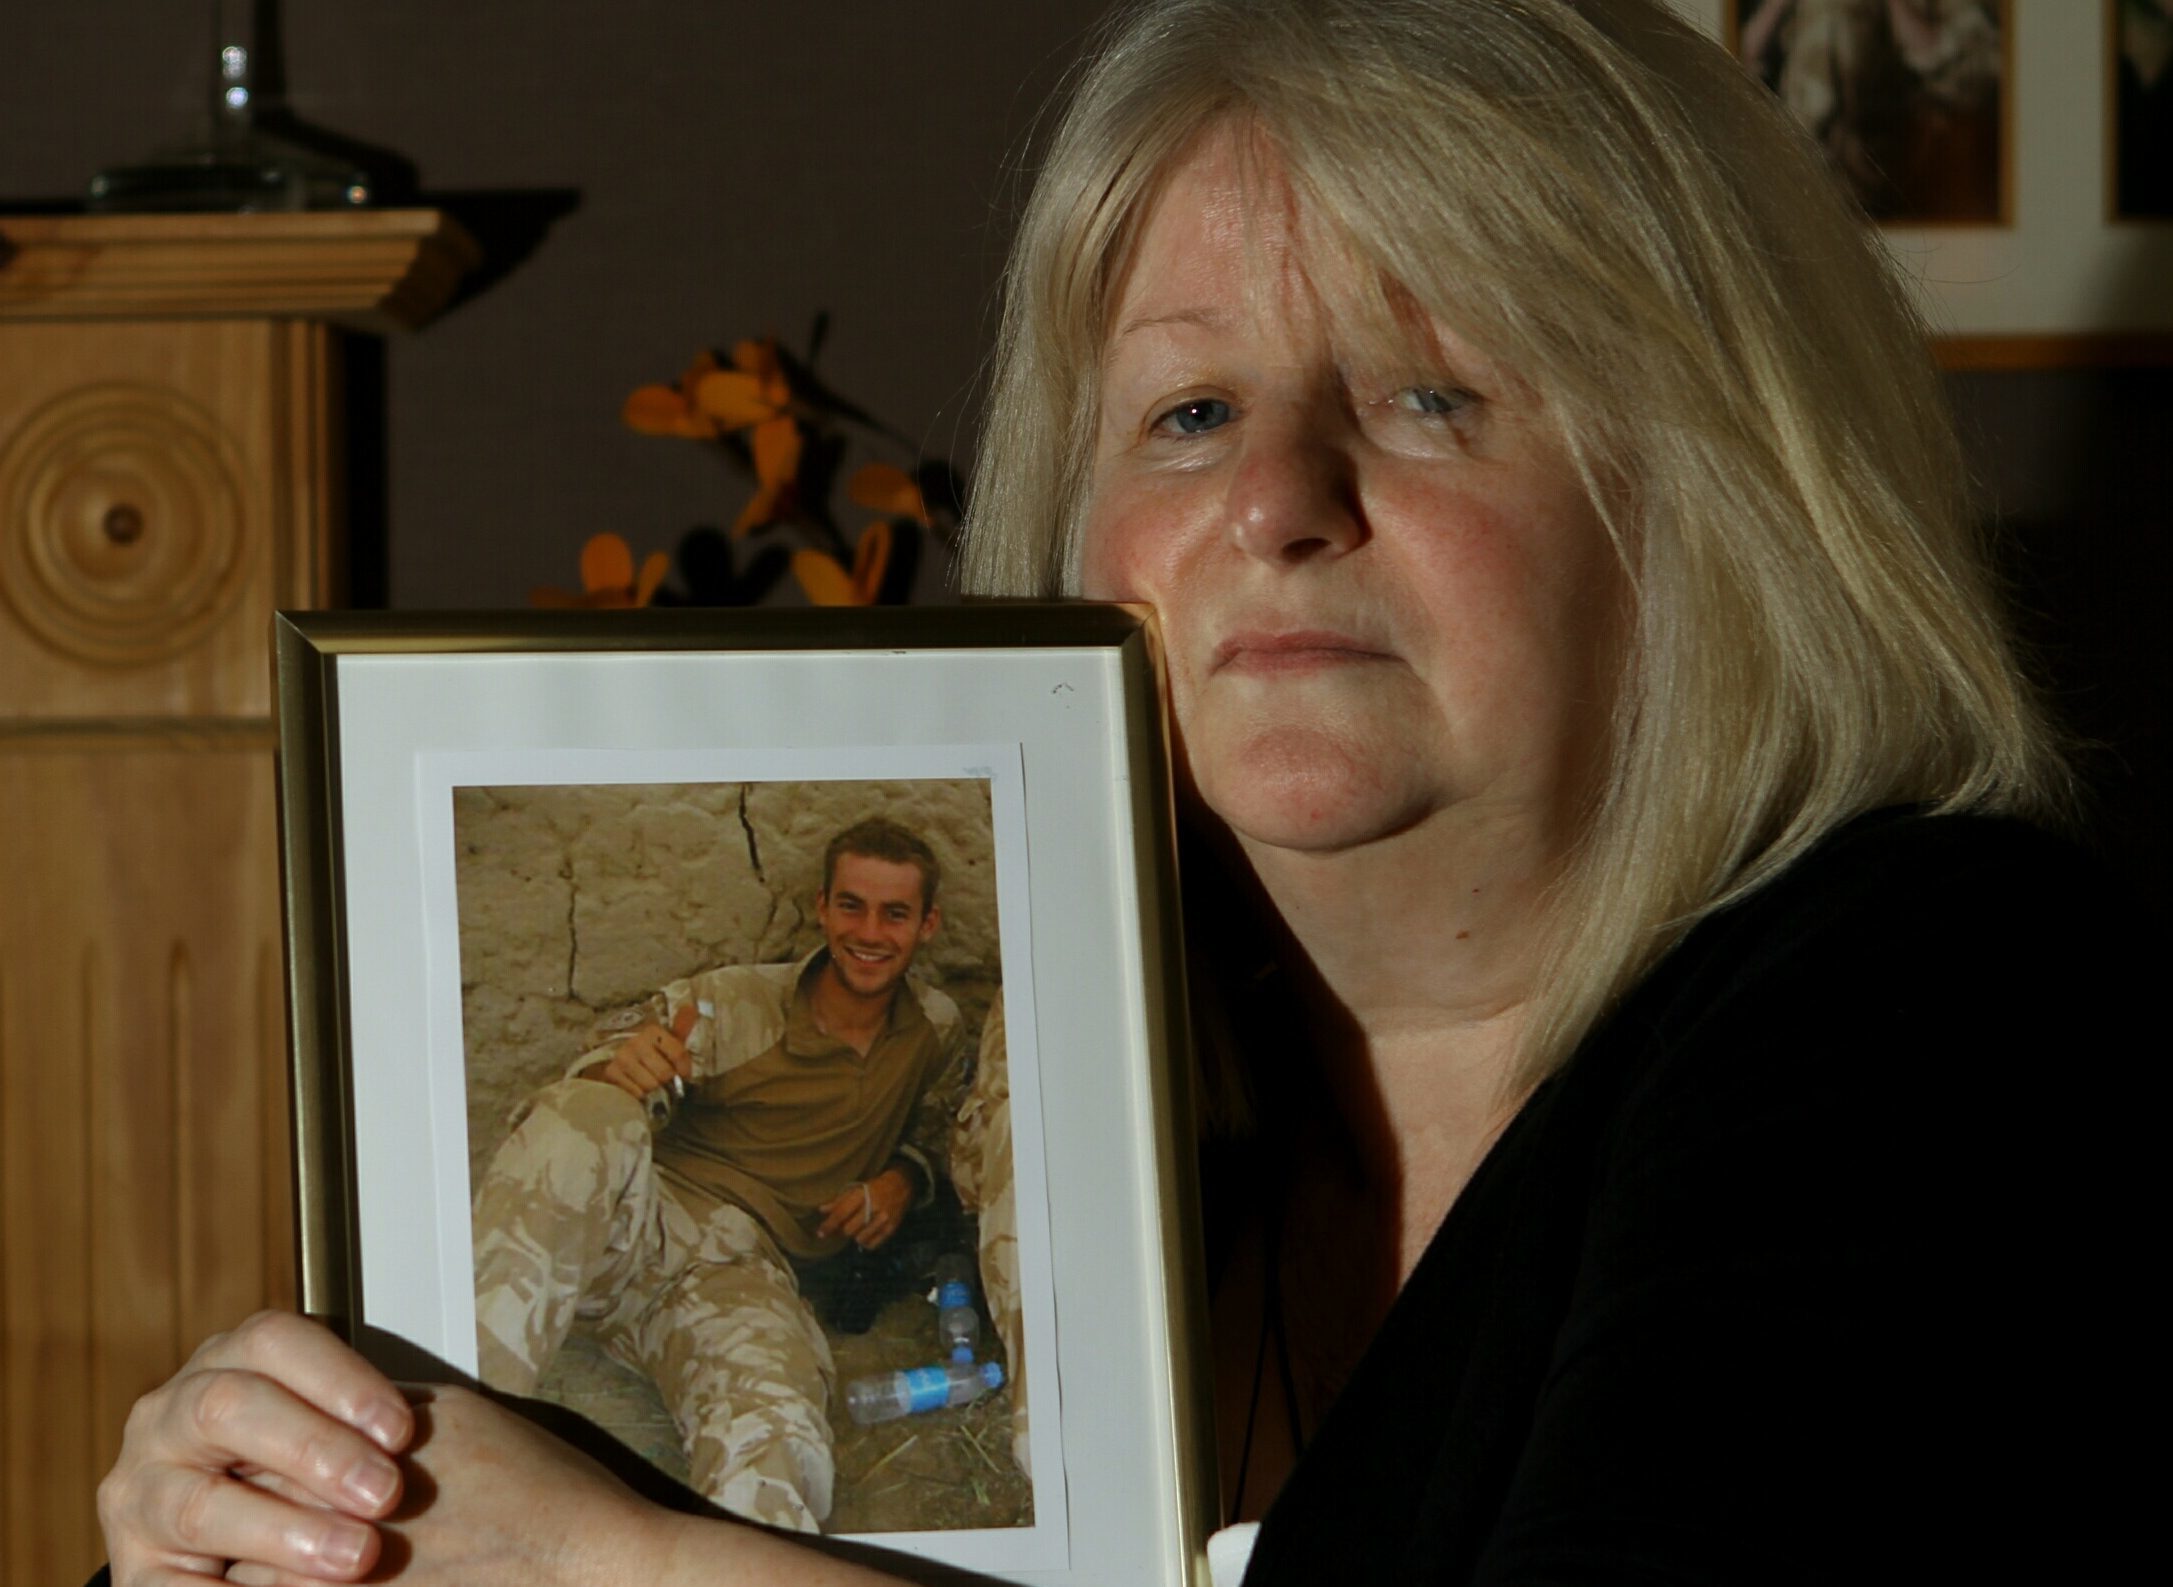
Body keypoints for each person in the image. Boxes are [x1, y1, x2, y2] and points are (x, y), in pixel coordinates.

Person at [94, 1, 2147, 1584]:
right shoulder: (1113, 1093)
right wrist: (278, 1508)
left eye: (1429, 392)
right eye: (1185, 409)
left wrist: (616, 1563)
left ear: (1721, 495)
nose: (1276, 495)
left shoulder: (1930, 1010)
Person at [468, 815, 967, 1530]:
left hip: (738, 1277)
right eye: (851, 904)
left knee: (775, 1427)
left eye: (895, 913)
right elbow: (628, 1052)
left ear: (927, 926)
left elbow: (940, 1120)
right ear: (821, 907)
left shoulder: (933, 1028)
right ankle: (455, 1430)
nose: (869, 931)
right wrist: (622, 1071)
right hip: (632, 1225)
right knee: (588, 1113)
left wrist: (902, 1178)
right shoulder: (734, 1003)